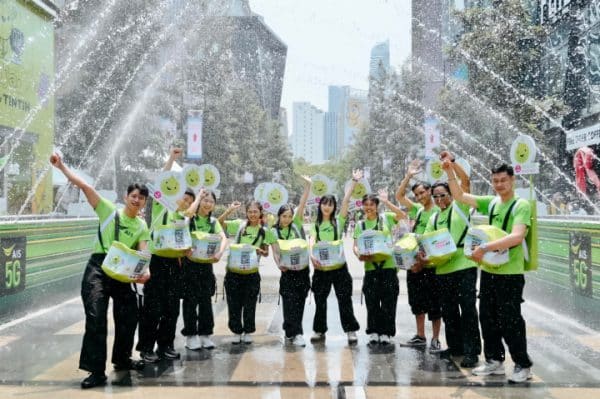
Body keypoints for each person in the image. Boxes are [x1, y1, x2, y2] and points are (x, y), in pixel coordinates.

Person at [50, 152, 150, 389]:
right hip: (98, 269)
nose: (137, 200)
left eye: (142, 198)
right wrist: (62, 166)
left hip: (123, 272)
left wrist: (145, 272)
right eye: (134, 196)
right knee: (96, 317)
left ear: (145, 202)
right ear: (126, 197)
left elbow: (143, 253)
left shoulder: (142, 225)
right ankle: (96, 371)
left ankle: (122, 359)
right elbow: (84, 186)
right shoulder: (107, 210)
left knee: (129, 315)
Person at [443, 160, 533, 383]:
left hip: (510, 274)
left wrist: (484, 248)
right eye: (495, 181)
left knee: (510, 320)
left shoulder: (521, 205)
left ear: (512, 180)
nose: (500, 184)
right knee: (487, 318)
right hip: (490, 272)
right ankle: (494, 360)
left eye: (504, 180)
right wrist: (449, 171)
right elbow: (460, 196)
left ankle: (522, 364)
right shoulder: (491, 203)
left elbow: (517, 236)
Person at [420, 153, 481, 368]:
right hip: (443, 270)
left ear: (451, 194)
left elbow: (466, 182)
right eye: (435, 197)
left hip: (464, 266)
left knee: (468, 309)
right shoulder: (435, 217)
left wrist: (450, 167)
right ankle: (455, 347)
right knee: (449, 311)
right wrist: (422, 254)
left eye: (443, 195)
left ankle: (472, 351)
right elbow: (426, 241)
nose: (439, 200)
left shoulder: (460, 206)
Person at [137, 148, 194, 363]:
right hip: (156, 262)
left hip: (175, 263)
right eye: (183, 197)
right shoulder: (161, 206)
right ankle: (146, 348)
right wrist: (171, 158)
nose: (185, 202)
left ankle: (166, 345)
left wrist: (187, 249)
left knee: (172, 307)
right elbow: (163, 180)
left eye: (188, 200)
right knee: (153, 307)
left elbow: (184, 241)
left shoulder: (183, 217)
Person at [395, 160, 443, 351]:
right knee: (417, 301)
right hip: (414, 265)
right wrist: (408, 176)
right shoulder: (418, 210)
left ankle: (436, 338)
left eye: (422, 192)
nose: (420, 196)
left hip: (431, 265)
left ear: (430, 191)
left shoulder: (439, 210)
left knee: (435, 304)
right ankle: (420, 335)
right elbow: (399, 195)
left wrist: (426, 261)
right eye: (416, 195)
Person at [309, 170, 361, 345]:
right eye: (324, 203)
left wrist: (354, 181)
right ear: (320, 205)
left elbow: (346, 200)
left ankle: (351, 330)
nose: (327, 207)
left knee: (344, 299)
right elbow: (312, 240)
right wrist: (311, 255)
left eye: (330, 204)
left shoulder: (339, 221)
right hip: (321, 268)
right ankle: (319, 330)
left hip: (339, 268)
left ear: (334, 207)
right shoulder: (316, 225)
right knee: (320, 300)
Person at [219, 200, 276, 344]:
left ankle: (248, 331)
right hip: (234, 272)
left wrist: (258, 250)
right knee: (234, 303)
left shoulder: (265, 231)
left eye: (255, 211)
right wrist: (229, 210)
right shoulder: (239, 225)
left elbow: (266, 253)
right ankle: (236, 331)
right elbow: (219, 223)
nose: (252, 214)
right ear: (246, 213)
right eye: (250, 211)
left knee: (250, 303)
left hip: (251, 272)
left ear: (260, 213)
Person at [353, 189, 404, 345]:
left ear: (377, 206)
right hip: (371, 268)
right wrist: (359, 255)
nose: (369, 207)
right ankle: (374, 331)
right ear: (362, 206)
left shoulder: (386, 218)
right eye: (366, 204)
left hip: (388, 267)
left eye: (372, 204)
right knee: (372, 301)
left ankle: (386, 332)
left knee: (389, 301)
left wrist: (386, 201)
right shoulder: (360, 225)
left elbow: (402, 215)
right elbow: (355, 245)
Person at [181, 188, 228, 350]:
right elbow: (181, 229)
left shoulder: (213, 222)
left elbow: (223, 238)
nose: (208, 204)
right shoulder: (190, 219)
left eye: (211, 201)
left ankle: (205, 334)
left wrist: (220, 253)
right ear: (199, 201)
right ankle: (190, 335)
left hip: (206, 266)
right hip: (190, 266)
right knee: (190, 301)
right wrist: (185, 250)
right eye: (205, 200)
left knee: (205, 301)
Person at [270, 176, 312, 346]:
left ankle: (296, 331)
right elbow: (275, 251)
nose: (287, 219)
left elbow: (302, 204)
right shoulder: (273, 231)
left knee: (300, 301)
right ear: (279, 216)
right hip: (287, 272)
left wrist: (308, 186)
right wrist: (279, 264)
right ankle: (291, 331)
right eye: (284, 216)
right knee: (288, 302)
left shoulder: (296, 224)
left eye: (289, 216)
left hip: (302, 270)